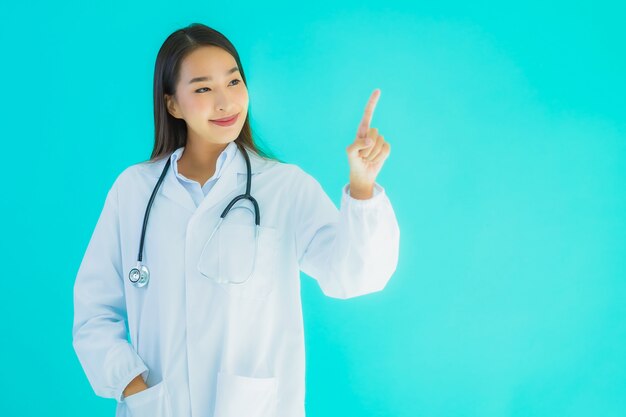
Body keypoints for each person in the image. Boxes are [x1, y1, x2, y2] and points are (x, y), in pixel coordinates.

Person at [72, 22, 400, 417]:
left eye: (233, 82)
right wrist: (133, 385)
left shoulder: (284, 187)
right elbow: (94, 313)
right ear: (172, 103)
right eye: (203, 88)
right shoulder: (134, 190)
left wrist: (362, 188)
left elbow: (355, 275)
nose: (225, 102)